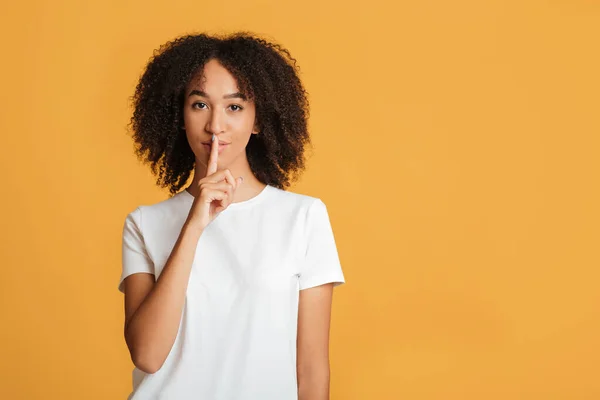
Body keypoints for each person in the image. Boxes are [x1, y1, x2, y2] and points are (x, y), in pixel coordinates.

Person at [118, 31, 346, 400]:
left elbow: (311, 370)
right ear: (179, 116)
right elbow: (147, 355)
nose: (215, 126)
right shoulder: (144, 223)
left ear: (258, 121)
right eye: (199, 105)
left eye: (234, 107)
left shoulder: (303, 217)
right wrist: (194, 224)